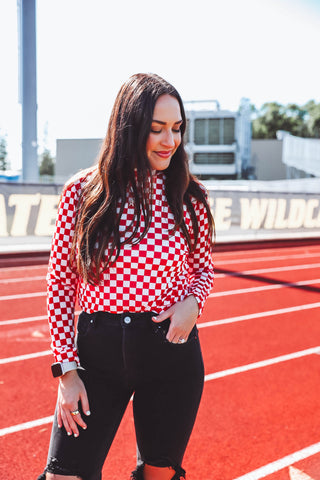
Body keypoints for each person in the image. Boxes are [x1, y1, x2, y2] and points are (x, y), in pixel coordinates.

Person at [37, 73, 214, 480]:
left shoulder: (191, 196)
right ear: (130, 127)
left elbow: (202, 269)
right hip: (96, 356)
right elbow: (61, 283)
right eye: (157, 129)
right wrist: (66, 373)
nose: (170, 140)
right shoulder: (82, 193)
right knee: (64, 474)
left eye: (177, 128)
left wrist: (193, 302)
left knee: (158, 474)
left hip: (170, 352)